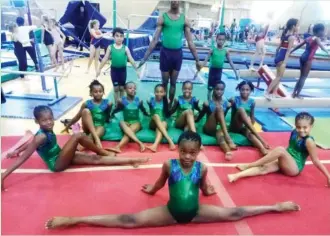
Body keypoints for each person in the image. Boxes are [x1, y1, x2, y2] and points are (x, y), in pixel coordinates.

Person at [45, 131, 300, 230]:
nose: (188, 157)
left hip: (197, 212)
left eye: (192, 152)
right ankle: (75, 219)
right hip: (169, 212)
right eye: (183, 152)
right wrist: (151, 189)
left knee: (235, 213)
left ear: (199, 151)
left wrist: (209, 190)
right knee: (129, 221)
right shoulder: (170, 164)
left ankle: (275, 207)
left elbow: (202, 187)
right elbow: (160, 182)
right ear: (178, 150)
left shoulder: (201, 168)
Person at [1, 105, 150, 191]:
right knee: (77, 136)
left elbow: (30, 141)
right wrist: (3, 175)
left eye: (50, 119)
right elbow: (25, 156)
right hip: (57, 164)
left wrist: (16, 150)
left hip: (61, 155)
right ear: (36, 121)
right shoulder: (41, 136)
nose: (48, 123)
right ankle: (103, 150)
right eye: (44, 120)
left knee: (96, 160)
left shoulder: (43, 131)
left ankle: (132, 160)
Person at [228, 112, 330, 187]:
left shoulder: (309, 141)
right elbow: (290, 148)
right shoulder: (294, 132)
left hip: (294, 168)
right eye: (299, 127)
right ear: (295, 126)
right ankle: (236, 176)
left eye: (305, 127)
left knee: (280, 150)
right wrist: (275, 156)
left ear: (311, 126)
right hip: (286, 160)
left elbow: (316, 160)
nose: (301, 130)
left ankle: (249, 165)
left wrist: (328, 176)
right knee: (264, 168)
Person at [137, 1, 202, 107]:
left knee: (173, 83)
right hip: (165, 54)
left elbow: (190, 42)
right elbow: (154, 39)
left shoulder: (184, 19)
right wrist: (144, 58)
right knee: (164, 83)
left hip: (177, 55)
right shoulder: (163, 18)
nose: (175, 1)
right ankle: (164, 106)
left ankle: (170, 106)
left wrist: (197, 60)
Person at [62, 80, 112, 149]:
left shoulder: (108, 103)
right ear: (91, 93)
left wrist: (108, 120)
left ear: (103, 92)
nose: (98, 93)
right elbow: (77, 116)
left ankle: (83, 145)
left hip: (99, 127)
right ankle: (97, 140)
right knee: (85, 111)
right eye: (95, 92)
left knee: (101, 128)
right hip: (87, 128)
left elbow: (108, 114)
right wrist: (67, 127)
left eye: (100, 91)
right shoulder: (86, 103)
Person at [196, 82, 236, 160]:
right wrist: (196, 119)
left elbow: (224, 117)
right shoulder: (208, 103)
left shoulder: (227, 104)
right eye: (217, 89)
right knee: (218, 108)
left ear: (224, 90)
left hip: (220, 127)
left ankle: (227, 151)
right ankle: (228, 138)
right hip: (209, 127)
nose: (219, 91)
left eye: (221, 90)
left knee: (220, 136)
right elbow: (201, 115)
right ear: (213, 89)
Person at [97, 27, 139, 103]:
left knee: (122, 88)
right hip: (114, 71)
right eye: (117, 36)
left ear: (123, 38)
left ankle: (122, 103)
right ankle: (117, 103)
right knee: (116, 88)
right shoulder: (110, 47)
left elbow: (131, 59)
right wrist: (99, 69)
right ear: (113, 37)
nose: (119, 38)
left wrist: (136, 69)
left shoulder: (125, 48)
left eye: (121, 36)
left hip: (122, 71)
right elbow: (105, 59)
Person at [229, 81, 270, 155]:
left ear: (251, 91)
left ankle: (262, 148)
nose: (245, 92)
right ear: (239, 90)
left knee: (250, 134)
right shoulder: (234, 99)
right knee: (241, 109)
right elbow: (224, 104)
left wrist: (249, 127)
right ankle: (261, 139)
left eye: (247, 90)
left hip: (244, 126)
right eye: (242, 89)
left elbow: (252, 117)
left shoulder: (252, 102)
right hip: (235, 126)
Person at [290, 23, 330, 99]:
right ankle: (297, 94)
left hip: (302, 57)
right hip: (308, 59)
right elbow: (322, 47)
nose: (323, 33)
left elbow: (299, 45)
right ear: (319, 31)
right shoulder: (317, 39)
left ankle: (293, 93)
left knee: (301, 77)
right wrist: (328, 53)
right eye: (323, 31)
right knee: (303, 78)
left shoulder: (309, 38)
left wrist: (292, 51)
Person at [110, 82, 149, 153]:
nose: (133, 90)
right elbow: (116, 110)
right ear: (125, 90)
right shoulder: (121, 101)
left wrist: (148, 115)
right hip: (126, 122)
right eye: (130, 88)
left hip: (136, 123)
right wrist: (110, 116)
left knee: (129, 131)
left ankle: (118, 146)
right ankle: (140, 143)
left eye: (134, 88)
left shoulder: (139, 101)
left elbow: (143, 110)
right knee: (121, 122)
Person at [265, 18, 299, 100]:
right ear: (294, 26)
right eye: (298, 25)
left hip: (279, 57)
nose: (298, 27)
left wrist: (276, 57)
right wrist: (285, 62)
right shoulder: (292, 37)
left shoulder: (285, 35)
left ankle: (275, 92)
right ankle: (267, 92)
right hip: (282, 58)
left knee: (279, 76)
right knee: (278, 77)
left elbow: (277, 49)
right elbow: (288, 51)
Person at [202, 32, 239, 100]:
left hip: (219, 72)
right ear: (216, 39)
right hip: (212, 72)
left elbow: (231, 62)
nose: (221, 41)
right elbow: (205, 61)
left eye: (222, 40)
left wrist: (236, 73)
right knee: (210, 89)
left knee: (217, 89)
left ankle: (215, 103)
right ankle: (209, 103)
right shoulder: (212, 50)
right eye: (219, 39)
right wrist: (198, 70)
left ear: (225, 41)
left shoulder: (225, 51)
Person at [146, 84, 176, 152]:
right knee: (156, 116)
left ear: (164, 93)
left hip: (161, 124)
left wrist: (174, 105)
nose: (159, 93)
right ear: (154, 92)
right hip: (153, 123)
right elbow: (150, 112)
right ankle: (169, 140)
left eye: (161, 92)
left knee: (164, 123)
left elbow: (168, 114)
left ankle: (155, 145)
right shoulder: (150, 100)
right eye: (157, 91)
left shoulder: (166, 102)